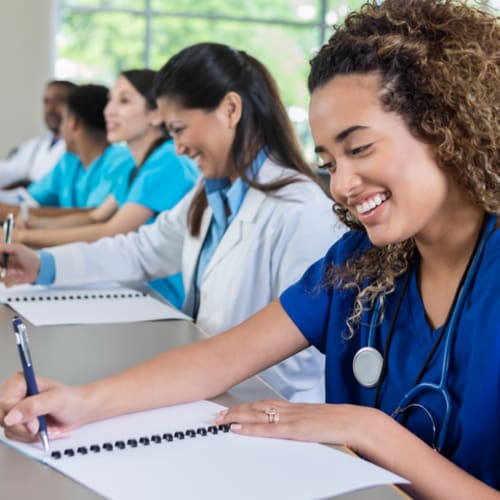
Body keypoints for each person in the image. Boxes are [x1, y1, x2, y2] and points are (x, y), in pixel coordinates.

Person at [0, 2, 498, 496]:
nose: (343, 183)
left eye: (359, 148)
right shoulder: (361, 262)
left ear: (446, 126)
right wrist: (79, 401)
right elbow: (220, 359)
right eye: (327, 161)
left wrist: (367, 428)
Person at [0, 43, 344, 403]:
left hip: (262, 405)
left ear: (230, 109)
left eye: (179, 129)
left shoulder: (300, 210)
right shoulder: (209, 192)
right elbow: (141, 250)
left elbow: (301, 357)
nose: (177, 147)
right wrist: (42, 265)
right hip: (206, 391)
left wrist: (203, 375)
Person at [10, 70, 198, 307]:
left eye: (124, 101)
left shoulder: (168, 160)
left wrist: (26, 237)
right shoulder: (135, 166)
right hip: (128, 285)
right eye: (110, 100)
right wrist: (34, 225)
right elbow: (94, 216)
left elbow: (112, 230)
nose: (109, 110)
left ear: (156, 113)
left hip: (159, 297)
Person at [0, 80, 75, 189]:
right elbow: (10, 170)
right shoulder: (34, 144)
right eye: (46, 102)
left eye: (59, 101)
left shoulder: (79, 148)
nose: (51, 108)